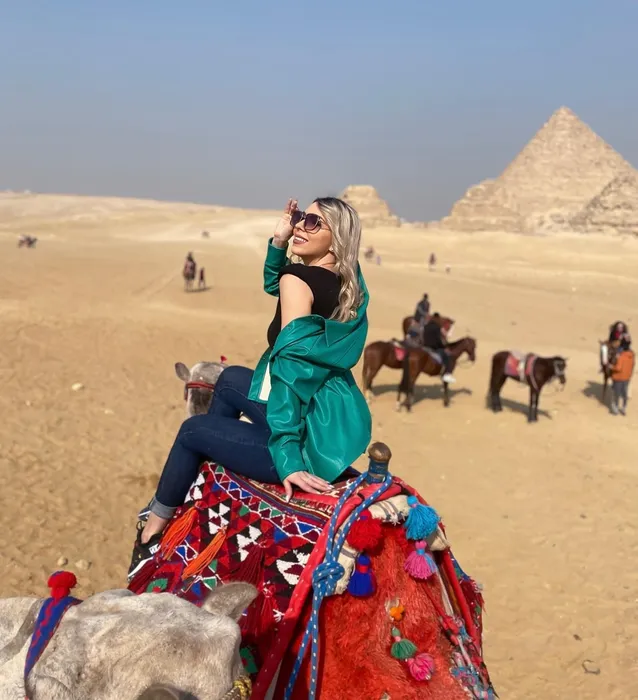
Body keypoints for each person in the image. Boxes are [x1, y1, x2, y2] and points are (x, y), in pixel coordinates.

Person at [129, 197, 371, 578]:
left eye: (312, 222)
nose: (299, 226)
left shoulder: (298, 280)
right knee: (229, 380)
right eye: (300, 218)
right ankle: (208, 480)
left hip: (302, 433)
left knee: (191, 431)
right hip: (326, 413)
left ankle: (152, 533)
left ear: (336, 237)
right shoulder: (347, 280)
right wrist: (279, 241)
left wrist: (289, 456)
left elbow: (290, 369)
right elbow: (276, 284)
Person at [421, 313, 455, 383]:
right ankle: (446, 374)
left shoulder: (426, 326)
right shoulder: (437, 327)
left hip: (425, 346)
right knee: (449, 356)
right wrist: (444, 347)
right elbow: (438, 340)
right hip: (434, 348)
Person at [609, 342, 634, 416]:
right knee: (624, 393)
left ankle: (616, 408)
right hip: (626, 378)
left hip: (619, 378)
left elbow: (618, 368)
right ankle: (624, 408)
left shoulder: (621, 356)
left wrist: (611, 366)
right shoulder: (631, 356)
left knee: (616, 393)